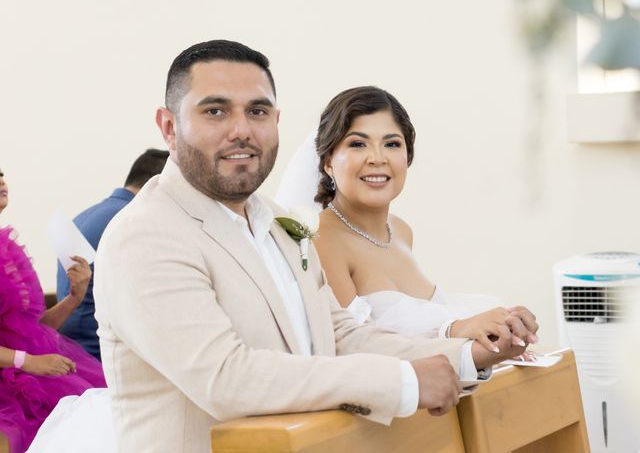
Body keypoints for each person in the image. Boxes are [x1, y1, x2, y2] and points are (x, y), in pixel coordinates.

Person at [92, 40, 526, 453]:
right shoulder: (146, 235)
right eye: (216, 111)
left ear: (275, 123)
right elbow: (226, 379)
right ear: (169, 127)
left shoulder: (276, 221)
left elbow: (338, 335)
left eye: (257, 111)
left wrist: (468, 355)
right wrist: (404, 383)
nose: (240, 130)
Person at [277, 86, 538, 355]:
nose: (377, 158)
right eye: (357, 144)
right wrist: (456, 329)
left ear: (407, 156)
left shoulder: (400, 230)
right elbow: (351, 346)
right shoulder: (320, 241)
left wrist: (499, 329)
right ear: (328, 162)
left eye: (391, 144)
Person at [0, 168, 107, 453]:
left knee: (97, 416)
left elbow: (32, 328)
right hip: (11, 380)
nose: (1, 180)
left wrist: (74, 297)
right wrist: (30, 362)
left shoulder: (7, 246)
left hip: (32, 365)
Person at [56, 148, 169, 360]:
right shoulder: (130, 219)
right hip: (101, 354)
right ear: (159, 184)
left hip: (69, 348)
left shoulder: (83, 216)